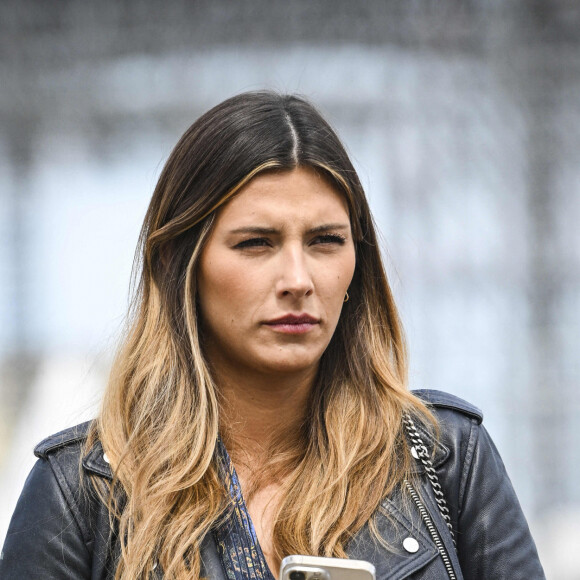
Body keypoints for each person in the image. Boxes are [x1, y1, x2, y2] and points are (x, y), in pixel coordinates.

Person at [0, 91, 544, 580]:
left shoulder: (442, 455)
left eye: (326, 240)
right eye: (256, 243)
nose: (298, 280)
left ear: (359, 264)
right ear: (179, 265)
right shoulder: (81, 492)